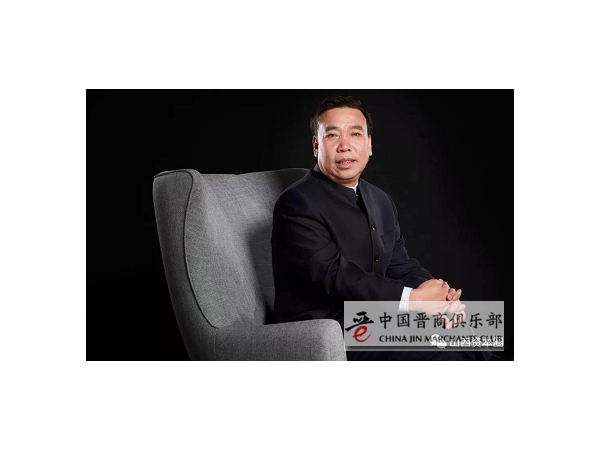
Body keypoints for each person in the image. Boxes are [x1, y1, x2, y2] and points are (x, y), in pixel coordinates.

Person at [270, 96, 478, 361]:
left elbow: (400, 265)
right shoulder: (297, 202)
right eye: (332, 135)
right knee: (440, 348)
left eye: (355, 134)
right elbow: (333, 274)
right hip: (325, 327)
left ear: (369, 144)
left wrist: (440, 295)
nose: (345, 145)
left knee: (477, 327)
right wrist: (413, 300)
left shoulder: (380, 199)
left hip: (372, 315)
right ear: (316, 145)